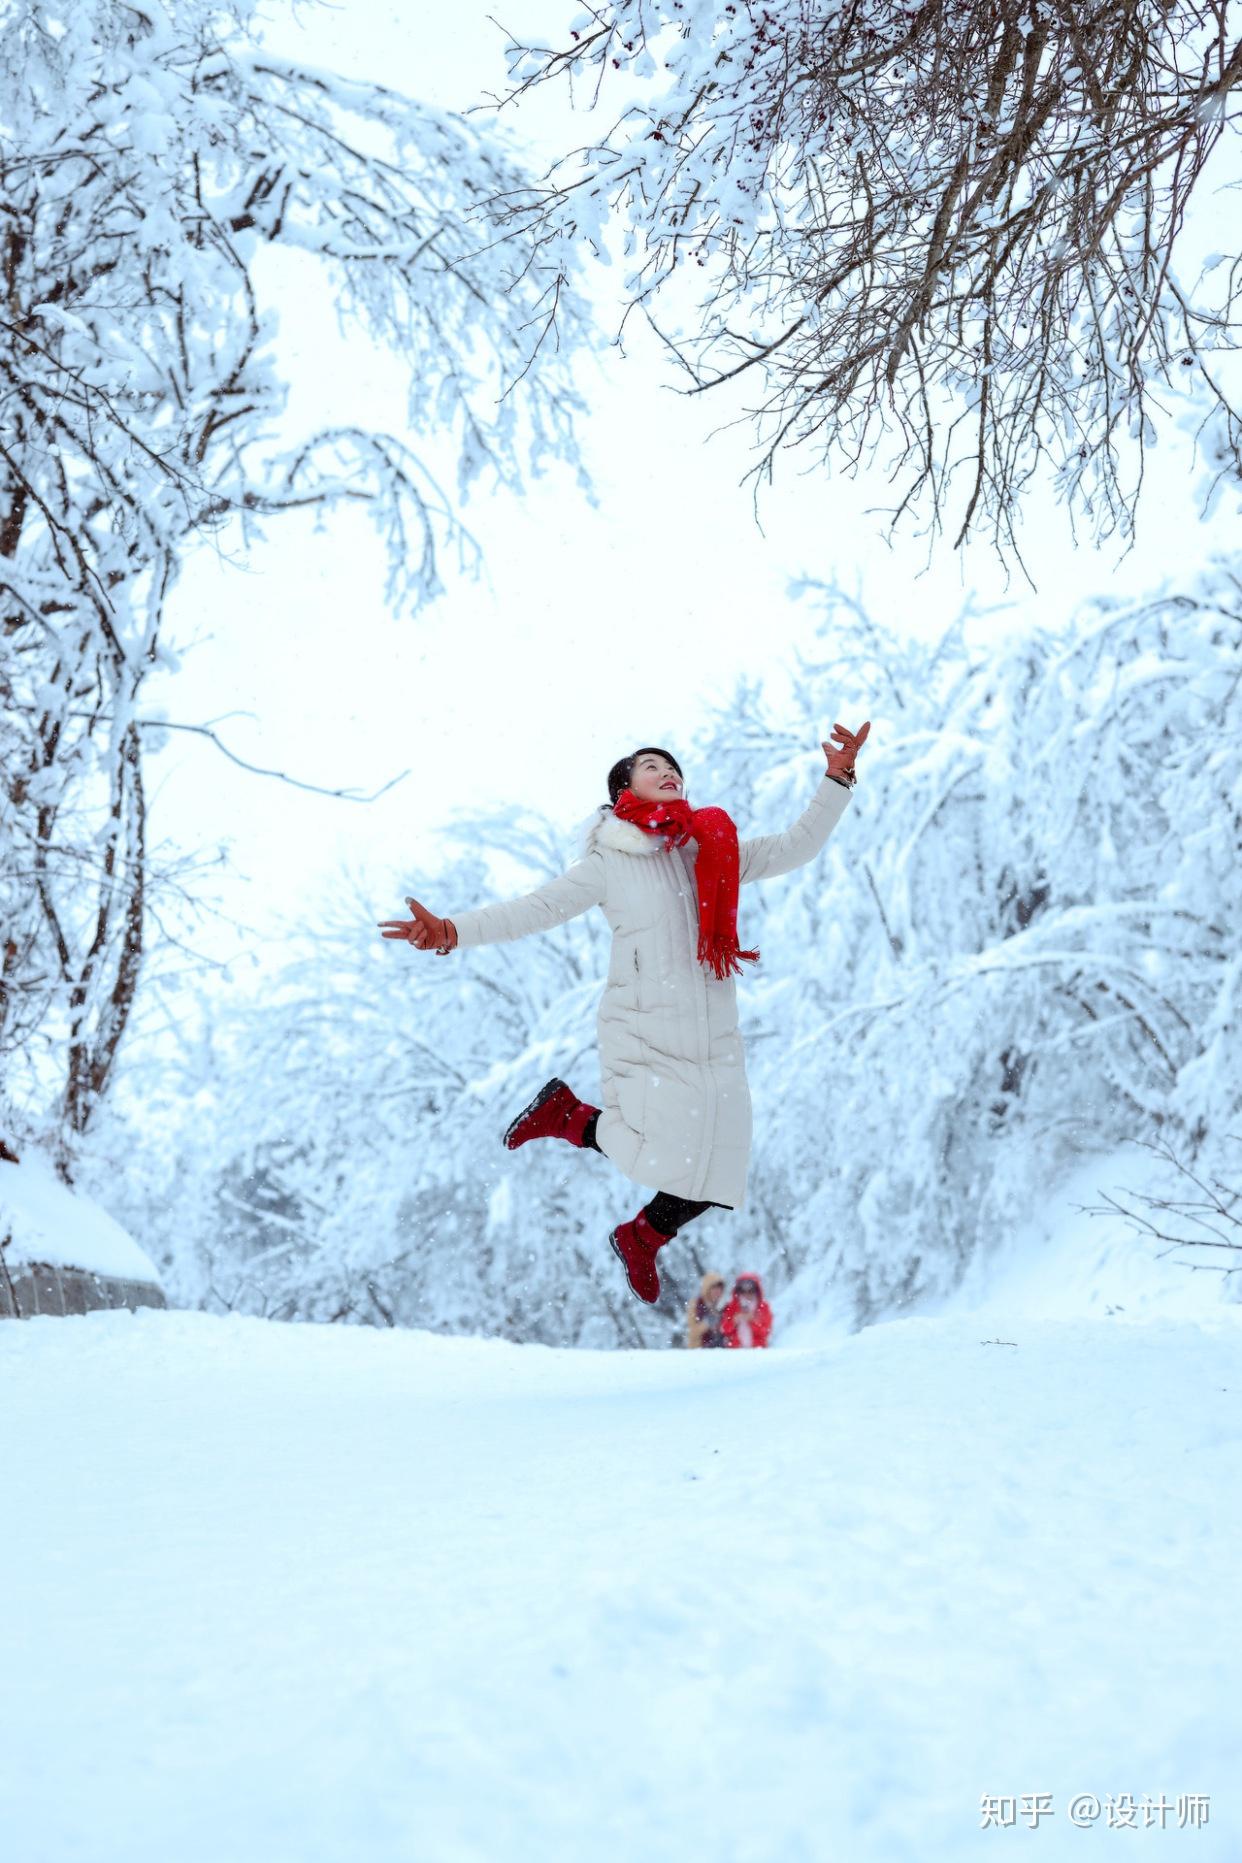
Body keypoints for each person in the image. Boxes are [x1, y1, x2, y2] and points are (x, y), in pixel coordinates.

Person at [379, 722, 869, 1306]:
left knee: (723, 1158)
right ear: (623, 792)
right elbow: (536, 910)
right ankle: (568, 1117)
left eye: (672, 766)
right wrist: (451, 931)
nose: (668, 772)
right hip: (646, 1023)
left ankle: (642, 1234)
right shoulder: (608, 862)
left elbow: (796, 846)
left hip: (713, 1027)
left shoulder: (709, 849)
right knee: (659, 1149)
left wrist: (838, 777)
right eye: (650, 766)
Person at [720, 1273, 773, 1349]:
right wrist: (734, 1321)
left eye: (751, 1290)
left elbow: (766, 1331)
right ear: (738, 1291)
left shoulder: (763, 1307)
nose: (747, 1294)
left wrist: (753, 1321)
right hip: (735, 1351)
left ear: (757, 1290)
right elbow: (724, 1329)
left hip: (757, 1350)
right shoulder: (732, 1306)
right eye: (743, 1291)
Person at [687, 1272, 727, 1349]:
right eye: (714, 1287)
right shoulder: (696, 1305)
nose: (717, 1291)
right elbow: (691, 1332)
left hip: (721, 1350)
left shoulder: (724, 1305)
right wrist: (707, 1324)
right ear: (707, 1289)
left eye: (720, 1288)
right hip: (699, 1349)